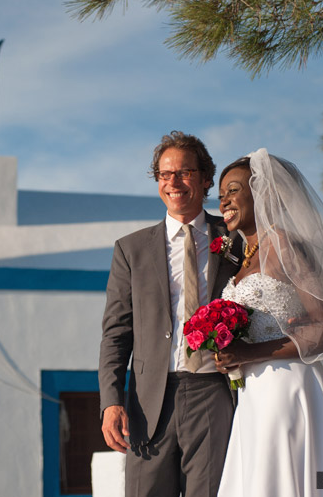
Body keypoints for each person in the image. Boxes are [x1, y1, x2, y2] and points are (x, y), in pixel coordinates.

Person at [214, 149, 323, 496]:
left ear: (262, 191)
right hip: (254, 395)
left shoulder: (285, 246)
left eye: (233, 190)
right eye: (221, 195)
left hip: (288, 390)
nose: (225, 201)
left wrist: (249, 353)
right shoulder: (243, 256)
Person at [99, 131, 243, 497]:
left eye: (183, 172)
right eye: (164, 175)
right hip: (149, 401)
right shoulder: (130, 250)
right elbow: (116, 333)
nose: (173, 182)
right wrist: (111, 401)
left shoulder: (233, 240)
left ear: (206, 178)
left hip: (214, 391)